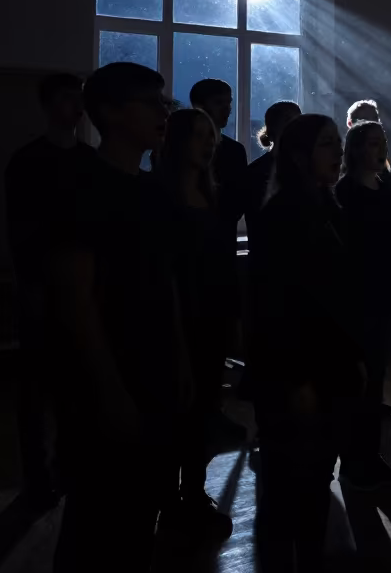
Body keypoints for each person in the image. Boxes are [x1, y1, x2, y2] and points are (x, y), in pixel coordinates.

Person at [49, 62, 185, 573]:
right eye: (151, 103)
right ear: (110, 112)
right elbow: (75, 298)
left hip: (153, 371)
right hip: (107, 376)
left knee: (139, 512)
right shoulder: (80, 184)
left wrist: (181, 360)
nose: (163, 113)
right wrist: (109, 389)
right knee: (96, 516)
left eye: (164, 102)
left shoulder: (151, 189)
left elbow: (165, 282)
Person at [251, 114, 366, 572]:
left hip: (329, 364)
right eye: (326, 144)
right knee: (289, 484)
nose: (338, 152)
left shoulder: (327, 207)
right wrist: (297, 379)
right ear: (299, 156)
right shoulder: (282, 214)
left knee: (317, 477)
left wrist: (352, 356)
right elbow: (277, 306)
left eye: (338, 143)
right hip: (297, 371)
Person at [4, 73, 98, 509]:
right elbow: (21, 234)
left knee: (73, 384)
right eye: (67, 100)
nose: (76, 108)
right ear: (47, 105)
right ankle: (38, 475)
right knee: (37, 389)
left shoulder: (86, 160)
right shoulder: (28, 162)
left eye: (79, 100)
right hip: (41, 287)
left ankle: (64, 465)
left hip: (76, 286)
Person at [154, 108, 235, 542]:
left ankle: (194, 492)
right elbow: (164, 273)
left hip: (210, 320)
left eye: (212, 135)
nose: (209, 142)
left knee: (202, 411)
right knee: (176, 416)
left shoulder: (210, 195)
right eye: (199, 134)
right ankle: (169, 502)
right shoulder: (160, 196)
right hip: (176, 320)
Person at [334, 120, 391, 491]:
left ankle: (367, 455)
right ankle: (355, 460)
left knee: (375, 380)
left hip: (383, 295)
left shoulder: (385, 185)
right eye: (373, 143)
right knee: (357, 383)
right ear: (356, 149)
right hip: (358, 298)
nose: (380, 149)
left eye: (383, 142)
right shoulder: (345, 191)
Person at [190, 79, 248, 232]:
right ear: (199, 106)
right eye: (218, 102)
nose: (227, 109)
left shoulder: (235, 150)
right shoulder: (234, 150)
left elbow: (239, 201)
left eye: (228, 103)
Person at [243, 100, 302, 244]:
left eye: (298, 121)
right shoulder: (256, 172)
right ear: (272, 129)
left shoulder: (309, 168)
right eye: (288, 120)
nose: (295, 126)